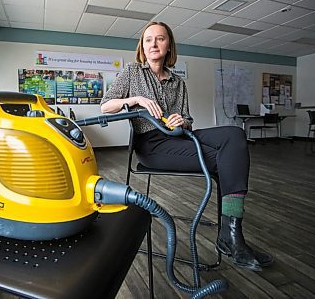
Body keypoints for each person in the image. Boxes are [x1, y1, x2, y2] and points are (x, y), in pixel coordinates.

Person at [100, 21, 273, 271]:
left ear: (169, 45)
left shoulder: (178, 82)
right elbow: (106, 105)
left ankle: (230, 235)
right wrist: (135, 99)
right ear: (142, 46)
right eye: (148, 39)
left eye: (160, 39)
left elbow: (189, 120)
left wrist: (182, 120)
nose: (153, 44)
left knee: (234, 135)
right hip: (152, 146)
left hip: (179, 136)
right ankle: (231, 238)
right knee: (226, 160)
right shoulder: (132, 73)